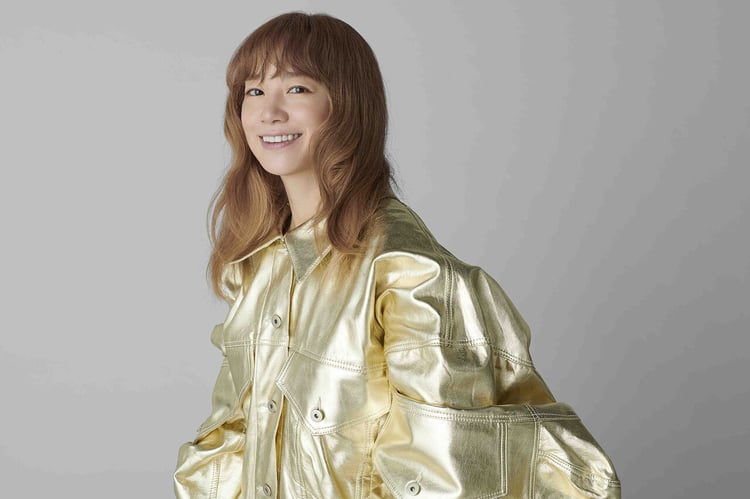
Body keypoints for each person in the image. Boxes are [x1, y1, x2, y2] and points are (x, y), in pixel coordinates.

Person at [174, 12, 620, 499]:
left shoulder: (406, 272)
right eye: (254, 91)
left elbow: (440, 476)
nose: (269, 112)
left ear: (347, 104)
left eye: (297, 89)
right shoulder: (257, 268)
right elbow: (229, 443)